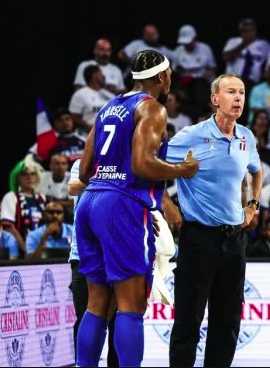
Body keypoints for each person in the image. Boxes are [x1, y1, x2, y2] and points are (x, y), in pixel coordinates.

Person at [74, 49, 199, 367]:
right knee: (131, 306)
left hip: (90, 203)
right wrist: (181, 171)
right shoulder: (153, 108)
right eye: (170, 74)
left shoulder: (107, 107)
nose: (171, 80)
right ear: (161, 77)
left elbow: (84, 172)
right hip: (121, 204)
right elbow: (143, 164)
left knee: (96, 304)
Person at [166, 73, 263, 367]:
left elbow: (256, 171)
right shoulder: (190, 136)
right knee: (188, 321)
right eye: (231, 92)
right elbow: (150, 166)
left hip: (234, 241)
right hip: (199, 239)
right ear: (214, 99)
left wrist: (252, 205)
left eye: (242, 92)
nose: (238, 98)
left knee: (228, 323)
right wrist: (168, 207)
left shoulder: (246, 136)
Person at [67, 159, 118, 366]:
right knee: (86, 317)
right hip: (84, 255)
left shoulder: (128, 160)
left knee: (119, 321)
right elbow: (72, 187)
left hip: (118, 254)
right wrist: (111, 177)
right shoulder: (83, 163)